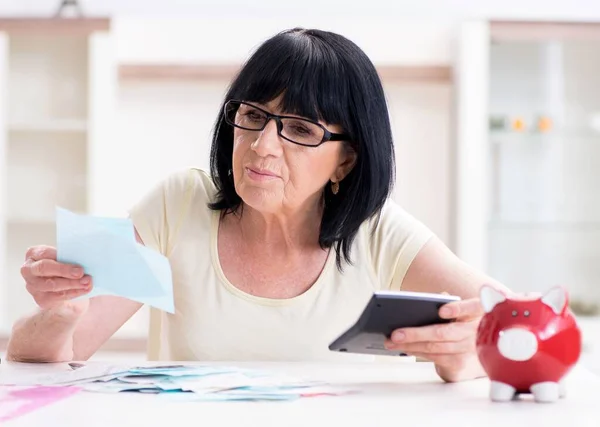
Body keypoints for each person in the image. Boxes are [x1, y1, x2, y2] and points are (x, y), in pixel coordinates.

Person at [7, 28, 509, 382]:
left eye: (300, 129)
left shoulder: (377, 233)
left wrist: (462, 357)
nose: (263, 146)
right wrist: (61, 312)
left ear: (346, 161)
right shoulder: (178, 204)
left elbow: (520, 324)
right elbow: (44, 359)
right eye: (253, 115)